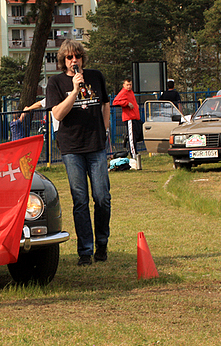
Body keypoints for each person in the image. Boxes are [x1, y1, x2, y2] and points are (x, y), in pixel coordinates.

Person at [46, 39, 111, 266]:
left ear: (82, 58)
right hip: (72, 148)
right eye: (69, 58)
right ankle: (85, 250)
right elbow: (58, 114)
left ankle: (102, 243)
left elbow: (105, 104)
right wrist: (74, 90)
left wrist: (105, 130)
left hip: (96, 146)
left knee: (102, 197)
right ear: (63, 61)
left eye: (78, 56)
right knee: (80, 200)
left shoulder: (96, 76)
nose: (74, 61)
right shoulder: (55, 83)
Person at [112, 78, 142, 159]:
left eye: (130, 85)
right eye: (127, 85)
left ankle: (133, 149)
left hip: (135, 117)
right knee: (132, 138)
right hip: (129, 118)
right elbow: (115, 101)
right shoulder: (123, 92)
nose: (129, 86)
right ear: (124, 85)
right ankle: (133, 154)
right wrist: (126, 103)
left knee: (138, 135)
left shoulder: (131, 92)